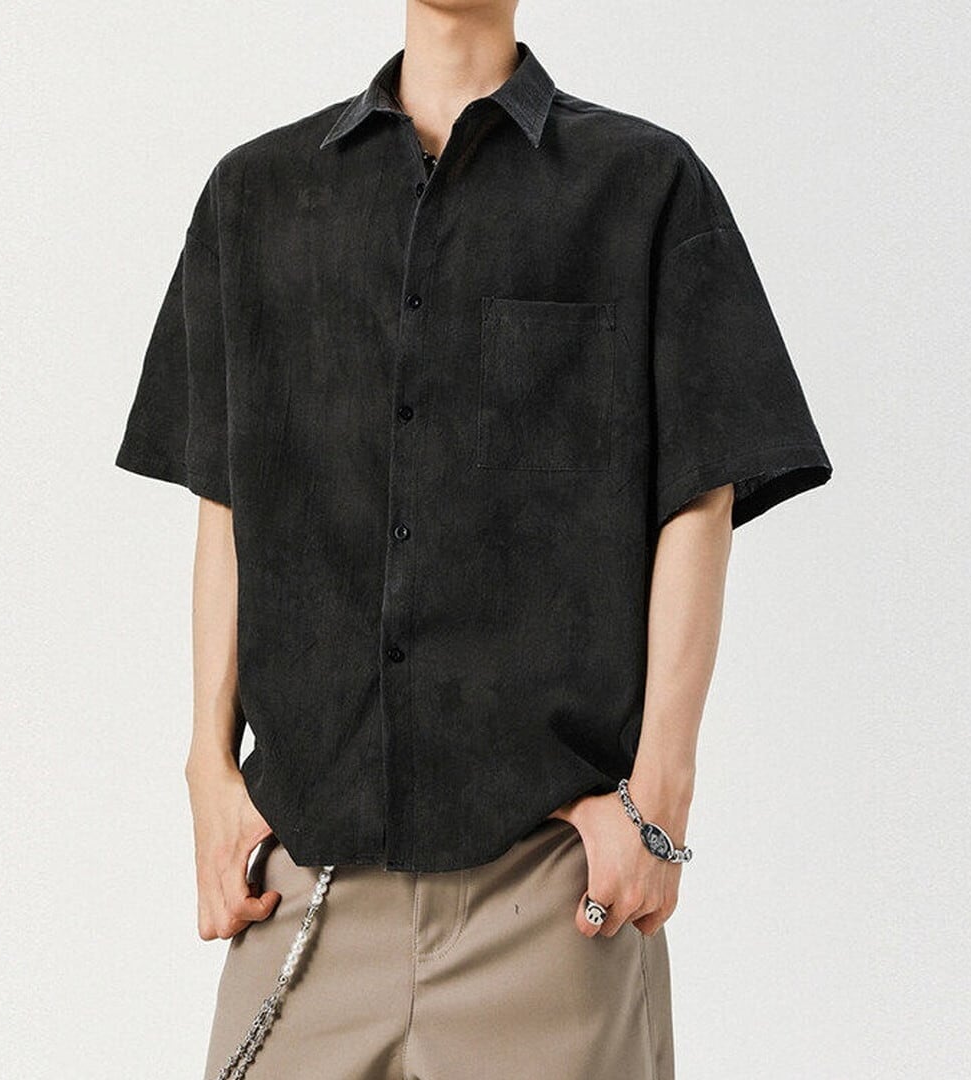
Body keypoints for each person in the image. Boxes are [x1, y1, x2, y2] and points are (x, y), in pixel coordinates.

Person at [115, 5, 833, 1079]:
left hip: (550, 899)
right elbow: (226, 500)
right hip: (304, 886)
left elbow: (700, 495)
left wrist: (658, 800)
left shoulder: (645, 186)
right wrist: (208, 773)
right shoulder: (254, 195)